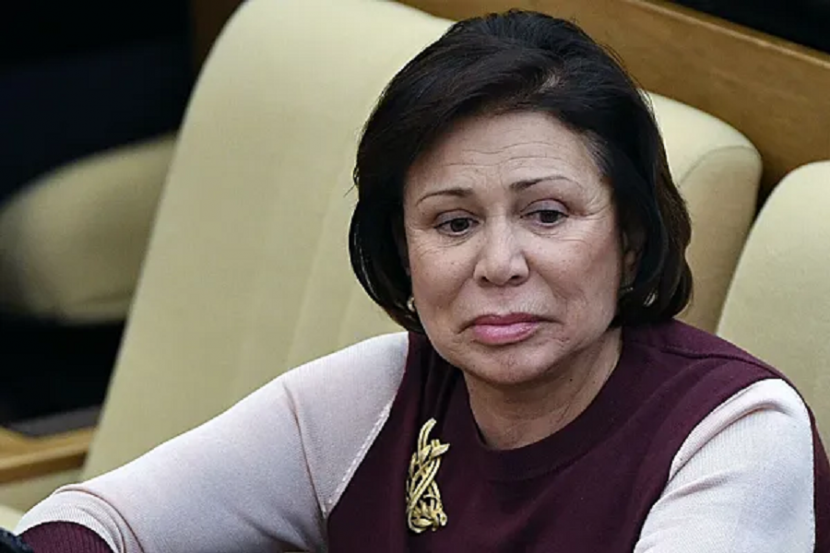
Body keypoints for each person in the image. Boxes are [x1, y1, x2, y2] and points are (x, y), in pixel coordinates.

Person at [6, 9, 829, 553]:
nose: (499, 263)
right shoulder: (381, 392)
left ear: (631, 235)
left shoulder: (738, 433)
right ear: (403, 250)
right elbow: (101, 519)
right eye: (453, 222)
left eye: (547, 214)